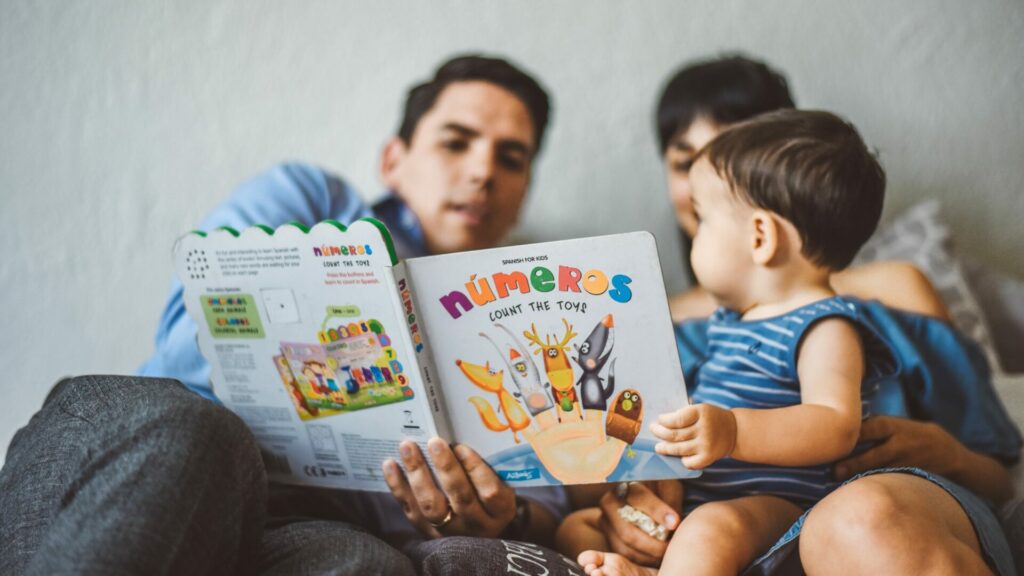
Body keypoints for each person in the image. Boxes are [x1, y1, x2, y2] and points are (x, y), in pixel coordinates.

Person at [0, 54, 584, 576]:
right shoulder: (310, 199)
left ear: (525, 188)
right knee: (201, 433)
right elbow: (190, 347)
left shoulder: (525, 319)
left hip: (302, 517)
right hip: (155, 434)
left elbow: (545, 491)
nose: (483, 172)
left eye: (510, 159)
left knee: (366, 563)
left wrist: (503, 512)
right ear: (393, 159)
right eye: (456, 143)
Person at [585, 55, 1020, 575]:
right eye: (684, 162)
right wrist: (636, 494)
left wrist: (946, 452)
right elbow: (620, 449)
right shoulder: (667, 325)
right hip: (724, 520)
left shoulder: (873, 301)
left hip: (873, 508)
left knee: (854, 519)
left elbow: (999, 475)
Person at [562, 109, 897, 574]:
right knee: (578, 527)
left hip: (777, 505)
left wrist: (735, 431)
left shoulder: (825, 324)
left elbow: (836, 424)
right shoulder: (730, 322)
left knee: (709, 531)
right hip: (702, 495)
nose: (692, 234)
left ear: (760, 237)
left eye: (702, 221)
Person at [657, 56, 949, 323]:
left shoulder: (895, 291)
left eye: (730, 167)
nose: (703, 186)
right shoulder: (657, 322)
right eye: (684, 164)